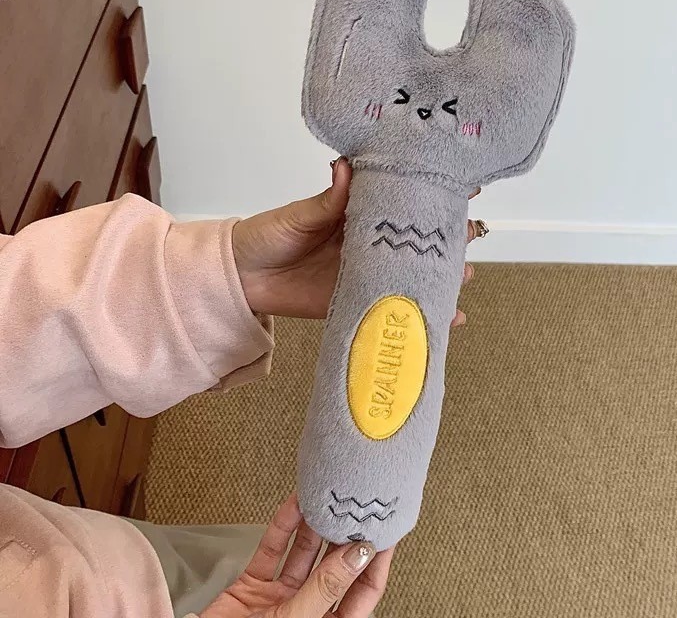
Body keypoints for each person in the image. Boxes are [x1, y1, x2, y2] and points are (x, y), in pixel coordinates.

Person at [0, 158, 481, 617]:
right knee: (309, 574)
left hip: (73, 554)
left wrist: (230, 276)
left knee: (274, 558)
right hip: (76, 570)